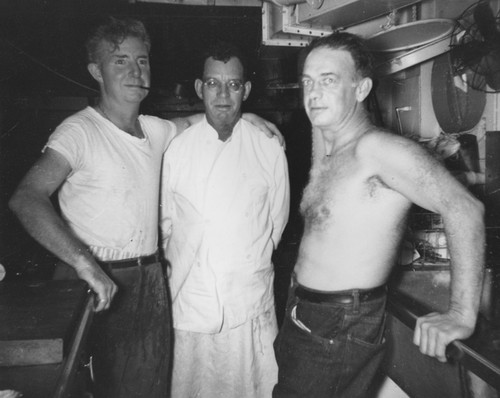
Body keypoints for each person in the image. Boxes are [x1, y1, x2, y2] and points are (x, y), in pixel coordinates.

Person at [8, 17, 282, 398]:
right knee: (82, 389)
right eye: (120, 60)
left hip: (149, 278)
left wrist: (247, 116)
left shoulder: (154, 130)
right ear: (95, 71)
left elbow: (204, 119)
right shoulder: (79, 131)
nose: (135, 71)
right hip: (93, 280)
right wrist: (84, 263)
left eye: (142, 60)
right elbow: (26, 198)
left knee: (148, 388)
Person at [272, 32, 485, 398]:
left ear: (361, 88)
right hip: (305, 314)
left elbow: (465, 208)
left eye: (328, 80)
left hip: (338, 327)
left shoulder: (379, 149)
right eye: (308, 81)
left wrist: (460, 315)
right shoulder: (330, 146)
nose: (313, 93)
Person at [160, 41, 290, 397]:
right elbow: (164, 224)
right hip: (190, 301)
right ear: (200, 88)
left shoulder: (268, 147)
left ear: (245, 90)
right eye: (213, 83)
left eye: (233, 84)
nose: (222, 94)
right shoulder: (175, 147)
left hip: (248, 302)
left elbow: (276, 223)